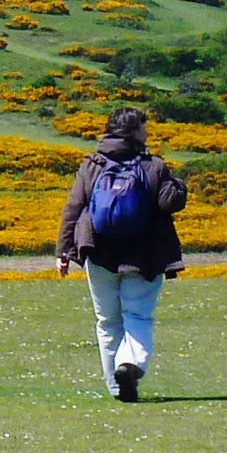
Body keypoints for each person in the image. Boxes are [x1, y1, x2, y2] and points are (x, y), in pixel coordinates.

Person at [55, 107, 189, 402]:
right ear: (133, 132)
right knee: (137, 314)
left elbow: (73, 207)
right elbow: (169, 202)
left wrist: (64, 250)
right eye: (143, 126)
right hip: (143, 254)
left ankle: (116, 386)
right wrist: (179, 185)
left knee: (107, 321)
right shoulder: (152, 165)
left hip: (99, 251)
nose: (147, 131)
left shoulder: (92, 163)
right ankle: (129, 365)